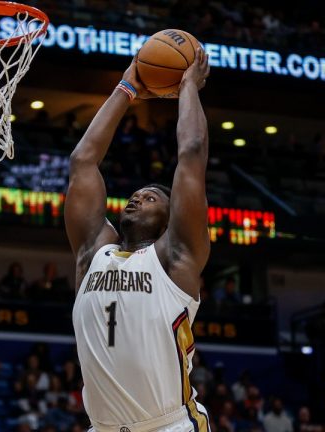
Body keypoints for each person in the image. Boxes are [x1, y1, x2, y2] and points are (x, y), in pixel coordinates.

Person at [65, 49, 212, 431]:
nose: (137, 198)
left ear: (169, 220)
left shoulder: (175, 259)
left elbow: (192, 154)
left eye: (151, 198)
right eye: (136, 195)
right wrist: (126, 86)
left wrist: (187, 88)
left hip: (170, 426)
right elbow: (83, 161)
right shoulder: (93, 253)